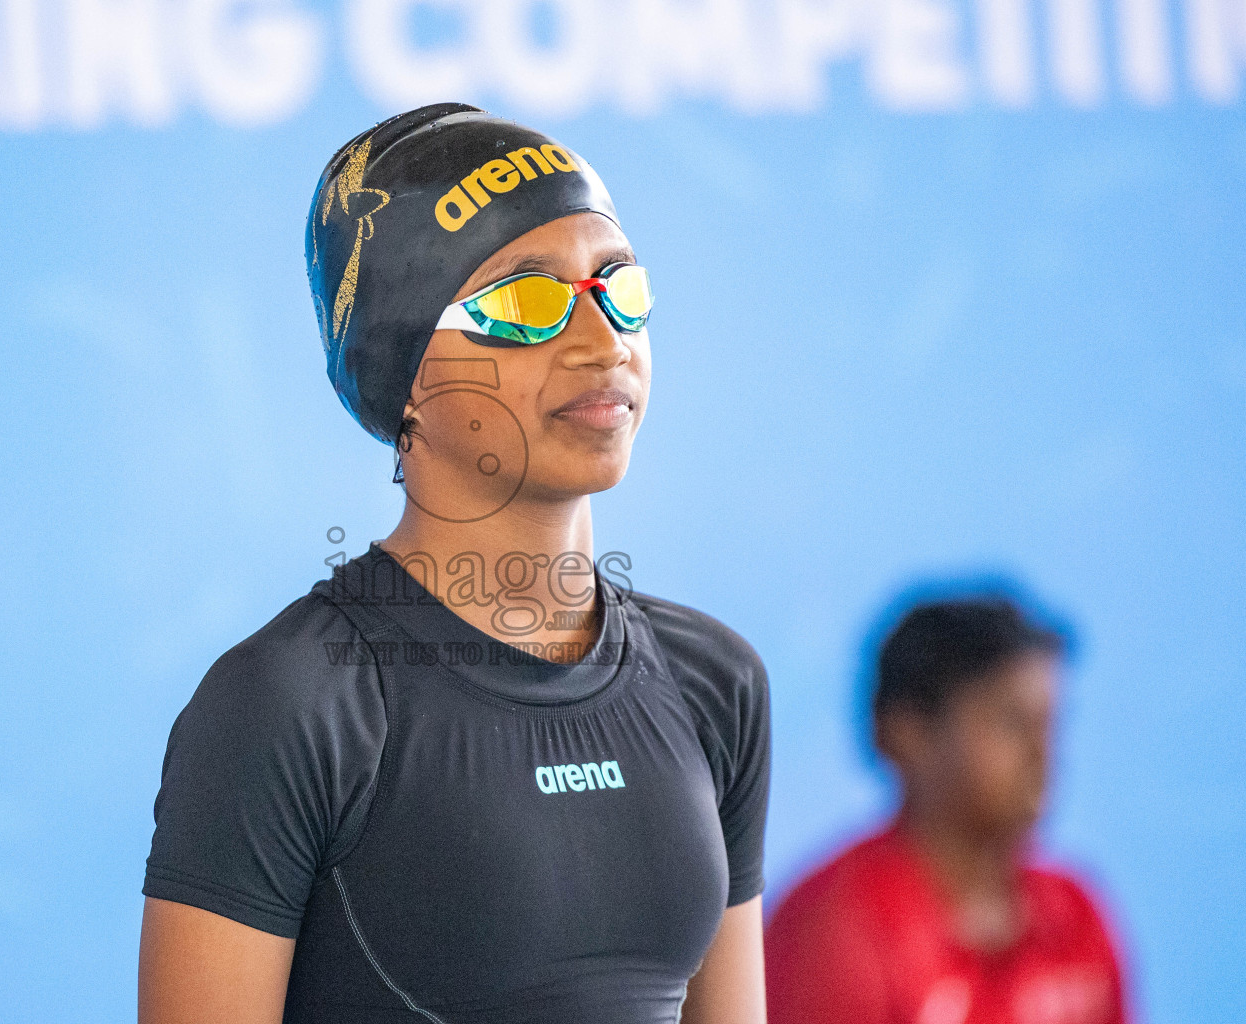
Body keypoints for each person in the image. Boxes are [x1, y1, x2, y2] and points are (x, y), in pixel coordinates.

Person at [136, 103, 772, 1024]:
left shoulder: (712, 684)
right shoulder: (294, 706)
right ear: (403, 377)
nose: (602, 342)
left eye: (617, 286)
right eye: (526, 304)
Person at [765, 595, 1130, 1024]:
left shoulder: (1077, 915)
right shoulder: (834, 929)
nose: (1041, 753)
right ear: (906, 733)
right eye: (1009, 722)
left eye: (1048, 724)